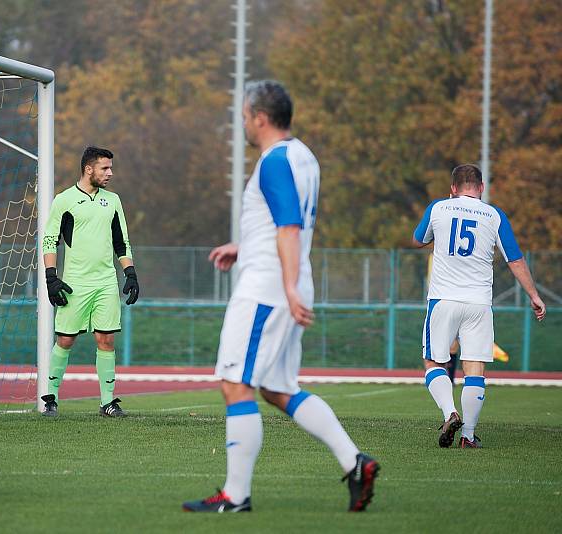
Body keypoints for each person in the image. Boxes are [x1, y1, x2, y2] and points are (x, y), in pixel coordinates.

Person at [183, 81, 379, 513]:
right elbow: (286, 223)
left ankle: (235, 495)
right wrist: (246, 248)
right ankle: (354, 462)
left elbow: (289, 225)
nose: (243, 124)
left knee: (236, 383)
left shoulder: (273, 161)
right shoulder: (305, 156)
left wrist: (286, 286)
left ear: (260, 118)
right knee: (277, 387)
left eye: (244, 116)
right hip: (283, 278)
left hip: (269, 288)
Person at [413, 164, 546, 448]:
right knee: (475, 369)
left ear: (453, 188)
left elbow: (418, 239)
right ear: (481, 188)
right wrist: (533, 295)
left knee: (433, 361)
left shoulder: (439, 208)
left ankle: (450, 412)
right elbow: (515, 259)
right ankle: (468, 436)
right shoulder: (494, 215)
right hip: (479, 304)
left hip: (444, 299)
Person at [40, 146, 139, 417]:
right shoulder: (64, 200)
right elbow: (50, 240)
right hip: (75, 284)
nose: (110, 173)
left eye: (110, 168)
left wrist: (130, 273)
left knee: (106, 340)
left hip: (106, 282)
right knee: (65, 340)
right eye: (105, 168)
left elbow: (122, 242)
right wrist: (51, 277)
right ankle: (50, 399)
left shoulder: (113, 200)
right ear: (88, 169)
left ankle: (108, 402)